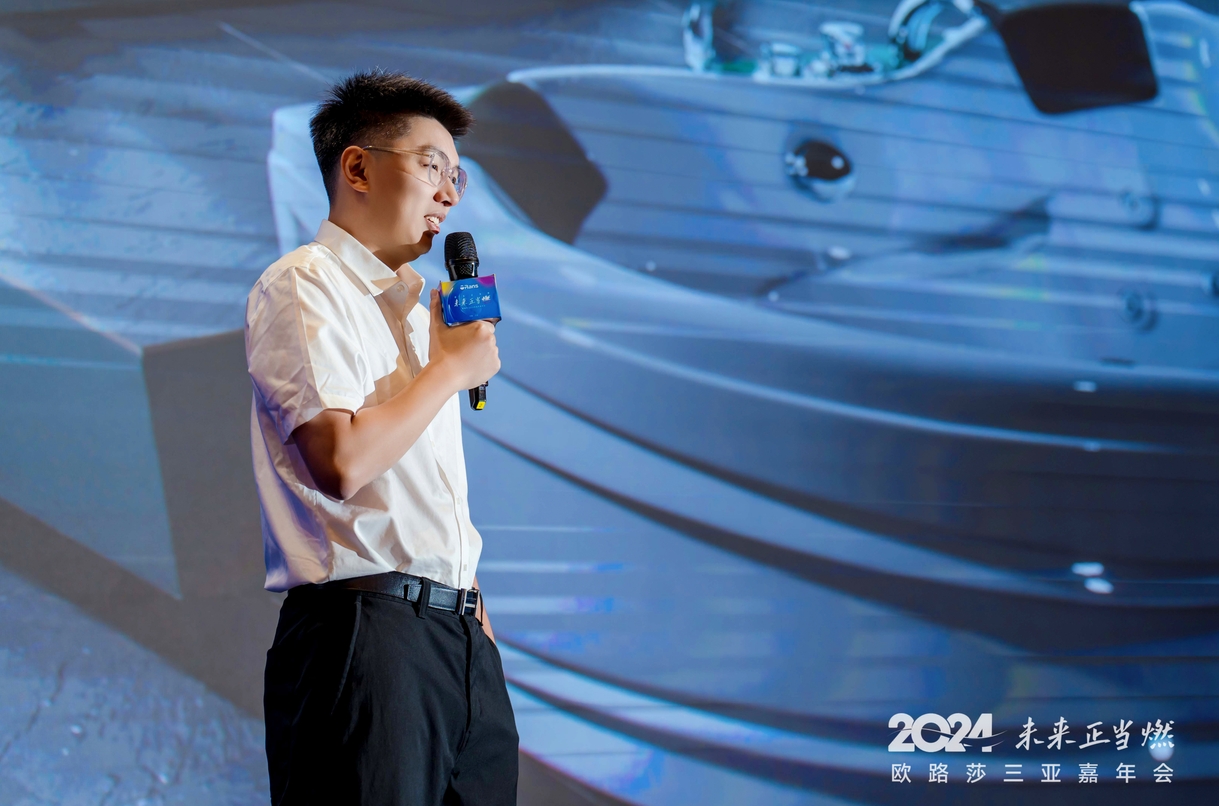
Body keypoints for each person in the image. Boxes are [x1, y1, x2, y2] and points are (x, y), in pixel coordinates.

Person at [244, 70, 516, 806]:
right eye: (432, 166)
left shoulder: (421, 319)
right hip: (367, 634)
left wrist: (477, 633)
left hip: (458, 645)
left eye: (456, 175)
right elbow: (341, 461)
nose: (449, 194)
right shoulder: (305, 283)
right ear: (358, 168)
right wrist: (450, 371)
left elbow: (427, 505)